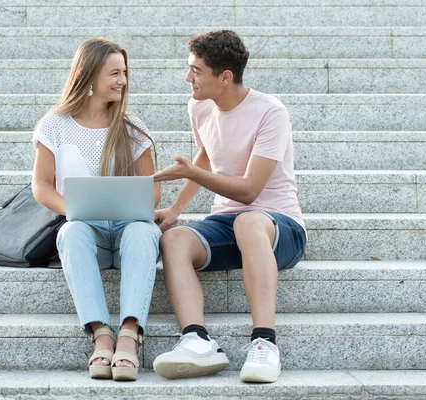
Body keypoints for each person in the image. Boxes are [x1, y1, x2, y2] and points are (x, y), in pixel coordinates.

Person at [151, 30, 307, 383]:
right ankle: (197, 341)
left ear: (224, 77)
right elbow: (205, 157)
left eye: (196, 71)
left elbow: (250, 191)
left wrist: (191, 173)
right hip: (229, 224)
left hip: (279, 227)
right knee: (174, 240)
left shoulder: (270, 112)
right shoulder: (199, 105)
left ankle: (265, 343)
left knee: (248, 221)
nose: (186, 77)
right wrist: (175, 210)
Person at [31, 38, 161, 382]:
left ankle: (130, 335)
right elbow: (41, 186)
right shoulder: (54, 125)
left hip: (128, 230)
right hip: (88, 235)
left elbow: (153, 190)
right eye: (114, 73)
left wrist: (136, 205)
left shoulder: (133, 128)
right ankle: (101, 333)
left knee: (143, 231)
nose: (123, 80)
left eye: (124, 73)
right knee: (70, 231)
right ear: (89, 76)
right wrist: (73, 210)